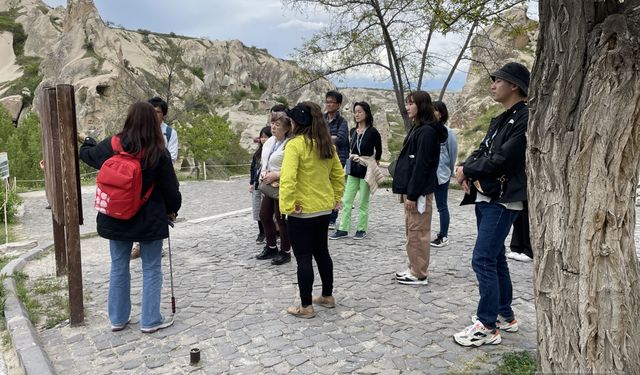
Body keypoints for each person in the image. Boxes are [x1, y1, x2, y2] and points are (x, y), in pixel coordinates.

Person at [79, 101, 182, 333]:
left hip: (115, 216)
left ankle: (117, 319)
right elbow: (170, 189)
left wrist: (87, 142)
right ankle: (150, 320)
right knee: (152, 267)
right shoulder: (158, 151)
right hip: (149, 219)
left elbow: (87, 155)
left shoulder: (113, 144)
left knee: (118, 266)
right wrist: (173, 209)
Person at [452, 62, 530, 347]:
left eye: (497, 80)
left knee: (482, 258)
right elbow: (481, 151)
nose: (492, 85)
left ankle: (486, 326)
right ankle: (504, 315)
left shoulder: (525, 117)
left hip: (503, 199)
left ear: (514, 86)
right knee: (495, 258)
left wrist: (469, 171)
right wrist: (465, 168)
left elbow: (504, 159)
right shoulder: (500, 119)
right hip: (486, 197)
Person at [279, 102, 345, 318]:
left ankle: (306, 306)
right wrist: (336, 198)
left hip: (301, 211)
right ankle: (327, 296)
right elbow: (337, 174)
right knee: (322, 253)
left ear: (297, 122)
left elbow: (288, 179)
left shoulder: (295, 145)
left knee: (303, 257)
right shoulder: (325, 144)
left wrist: (286, 206)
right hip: (323, 209)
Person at [392, 91, 447, 285]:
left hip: (419, 191)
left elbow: (422, 165)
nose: (407, 107)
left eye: (411, 104)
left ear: (421, 106)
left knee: (418, 231)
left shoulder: (427, 132)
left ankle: (419, 273)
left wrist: (413, 195)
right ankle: (413, 267)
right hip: (413, 189)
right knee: (412, 230)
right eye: (407, 103)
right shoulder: (419, 128)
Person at [131, 97, 179, 260]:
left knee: (159, 210)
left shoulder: (169, 133)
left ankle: (156, 244)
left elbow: (172, 156)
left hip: (162, 175)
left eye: (157, 112)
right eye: (151, 111)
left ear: (163, 114)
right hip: (141, 176)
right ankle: (140, 243)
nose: (154, 114)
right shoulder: (139, 131)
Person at [330, 101, 382, 240]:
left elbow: (379, 151)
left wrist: (372, 163)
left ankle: (361, 228)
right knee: (347, 199)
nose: (357, 114)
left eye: (360, 111)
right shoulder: (353, 131)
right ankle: (343, 228)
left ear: (366, 113)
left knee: (363, 201)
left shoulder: (373, 132)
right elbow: (350, 148)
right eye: (355, 111)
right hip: (353, 167)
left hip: (366, 169)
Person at [255, 110, 292, 266]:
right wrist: (264, 173)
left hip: (282, 184)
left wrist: (277, 175)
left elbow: (293, 166)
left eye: (278, 125)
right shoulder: (270, 141)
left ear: (286, 128)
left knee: (281, 218)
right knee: (264, 215)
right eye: (272, 123)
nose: (274, 127)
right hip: (269, 184)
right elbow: (265, 160)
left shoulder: (290, 143)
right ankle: (271, 247)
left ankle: (285, 251)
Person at [430, 101, 458, 248]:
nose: (432, 113)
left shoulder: (449, 133)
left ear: (441, 113)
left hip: (441, 174)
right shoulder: (427, 131)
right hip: (428, 174)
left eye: (435, 111)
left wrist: (450, 170)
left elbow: (452, 154)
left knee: (442, 206)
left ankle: (443, 235)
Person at [323, 91, 349, 230]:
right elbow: (315, 135)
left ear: (338, 105)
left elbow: (341, 139)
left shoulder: (342, 121)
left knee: (335, 188)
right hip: (322, 159)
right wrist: (330, 137)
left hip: (339, 159)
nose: (329, 104)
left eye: (332, 102)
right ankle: (323, 215)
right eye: (327, 102)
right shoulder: (321, 119)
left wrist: (324, 138)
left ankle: (332, 218)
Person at [250, 126, 273, 244]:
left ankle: (272, 233)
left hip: (269, 185)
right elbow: (253, 169)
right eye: (262, 137)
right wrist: (251, 183)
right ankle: (261, 232)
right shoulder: (257, 153)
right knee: (257, 209)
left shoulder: (273, 152)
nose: (263, 139)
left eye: (266, 137)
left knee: (268, 212)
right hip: (257, 184)